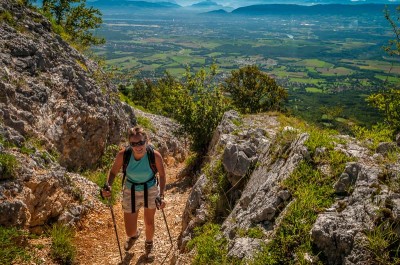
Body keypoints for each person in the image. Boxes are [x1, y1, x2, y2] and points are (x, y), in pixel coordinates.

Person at [101, 126, 166, 255]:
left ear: (146, 141)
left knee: (149, 222)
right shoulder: (123, 155)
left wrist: (162, 195)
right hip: (130, 189)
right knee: (129, 231)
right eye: (134, 144)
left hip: (150, 188)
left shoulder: (155, 155)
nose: (138, 146)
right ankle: (135, 235)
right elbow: (113, 172)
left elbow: (163, 175)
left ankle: (149, 242)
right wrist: (108, 185)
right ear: (129, 144)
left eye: (141, 142)